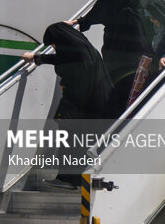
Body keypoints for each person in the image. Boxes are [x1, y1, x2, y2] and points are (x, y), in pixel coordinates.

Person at [22, 22, 113, 188]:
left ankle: (67, 179)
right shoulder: (82, 50)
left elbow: (76, 77)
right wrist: (37, 58)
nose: (55, 48)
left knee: (69, 141)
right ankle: (71, 179)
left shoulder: (79, 55)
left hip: (79, 108)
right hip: (89, 108)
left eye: (55, 44)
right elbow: (62, 59)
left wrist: (65, 84)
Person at [68, 0, 153, 117]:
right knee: (114, 84)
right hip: (113, 51)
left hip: (133, 54)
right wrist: (78, 22)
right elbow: (97, 12)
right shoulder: (111, 2)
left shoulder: (140, 2)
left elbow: (149, 26)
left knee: (130, 87)